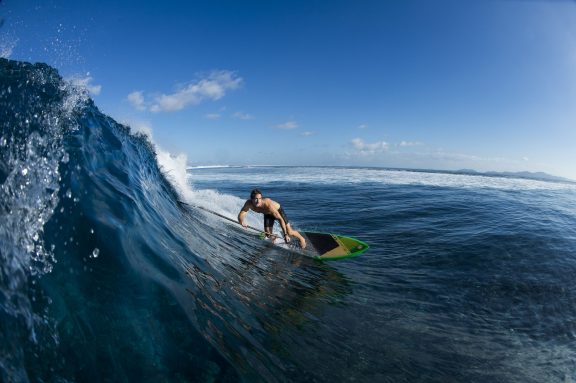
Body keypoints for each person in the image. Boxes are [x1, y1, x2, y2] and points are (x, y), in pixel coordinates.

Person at [238, 189, 306, 249]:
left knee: (289, 232)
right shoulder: (248, 203)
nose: (258, 201)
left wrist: (285, 234)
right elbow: (242, 213)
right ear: (251, 199)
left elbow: (280, 219)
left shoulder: (268, 204)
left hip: (278, 211)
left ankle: (302, 239)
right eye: (256, 199)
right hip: (267, 214)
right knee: (268, 234)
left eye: (259, 198)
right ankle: (275, 238)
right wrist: (241, 222)